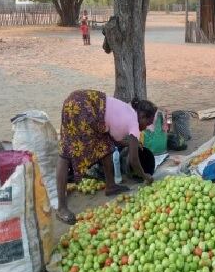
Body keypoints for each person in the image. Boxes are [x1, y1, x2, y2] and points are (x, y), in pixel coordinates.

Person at [56, 90, 156, 224]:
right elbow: (133, 160)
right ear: (142, 115)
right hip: (83, 108)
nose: (145, 128)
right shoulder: (134, 123)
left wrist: (131, 144)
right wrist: (145, 176)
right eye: (147, 123)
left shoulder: (129, 110)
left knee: (105, 144)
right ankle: (61, 208)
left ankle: (110, 185)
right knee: (66, 154)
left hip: (81, 101)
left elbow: (113, 138)